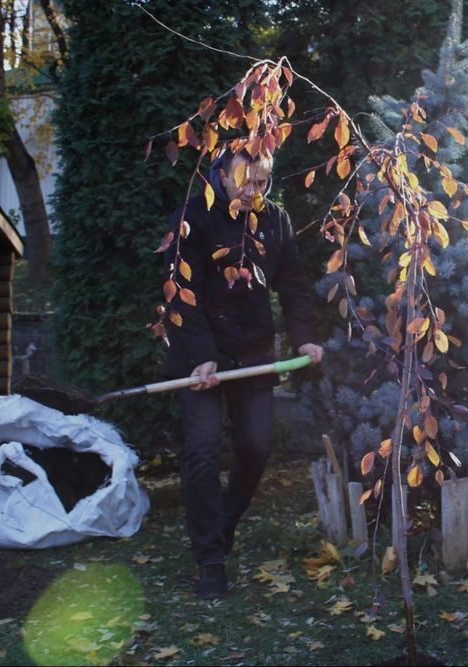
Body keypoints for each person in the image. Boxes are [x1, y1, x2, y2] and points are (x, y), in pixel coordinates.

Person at [163, 150, 323, 599]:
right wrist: (202, 355)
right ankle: (210, 561)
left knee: (256, 447)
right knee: (202, 452)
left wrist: (304, 336)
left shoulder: (276, 220)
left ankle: (223, 526)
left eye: (262, 183)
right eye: (245, 182)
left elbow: (292, 283)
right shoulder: (192, 216)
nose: (253, 192)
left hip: (252, 352)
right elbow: (181, 291)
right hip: (200, 356)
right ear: (221, 175)